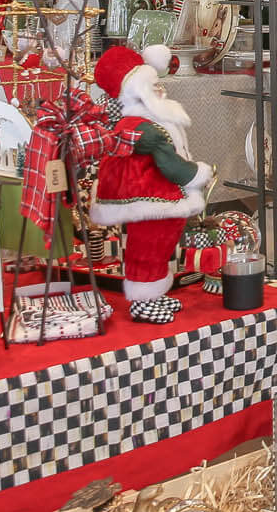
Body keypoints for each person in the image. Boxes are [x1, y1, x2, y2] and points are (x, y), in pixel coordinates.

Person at [87, 43, 213, 324]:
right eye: (152, 84)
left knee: (160, 246)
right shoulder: (143, 127)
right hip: (148, 199)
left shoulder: (150, 119)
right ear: (135, 90)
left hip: (159, 198)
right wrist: (198, 174)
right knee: (149, 246)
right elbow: (170, 165)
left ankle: (153, 294)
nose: (159, 88)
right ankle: (142, 302)